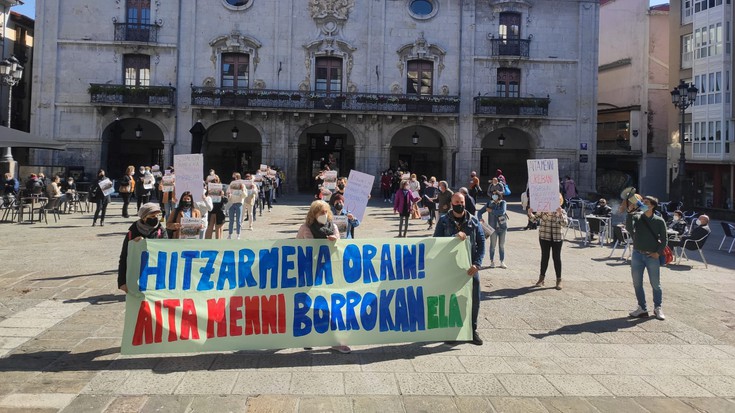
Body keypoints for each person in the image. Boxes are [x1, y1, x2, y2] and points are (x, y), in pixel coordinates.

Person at [296, 200, 350, 354]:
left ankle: (336, 341)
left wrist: (335, 240)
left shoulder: (332, 227)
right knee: (310, 306)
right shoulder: (305, 228)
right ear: (313, 214)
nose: (324, 215)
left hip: (329, 272)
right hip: (309, 272)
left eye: (326, 212)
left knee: (331, 306)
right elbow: (296, 248)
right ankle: (309, 338)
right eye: (320, 212)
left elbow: (340, 245)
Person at [432, 192, 485, 345]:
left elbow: (481, 244)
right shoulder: (443, 221)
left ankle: (471, 330)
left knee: (474, 299)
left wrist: (477, 264)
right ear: (451, 203)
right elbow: (436, 242)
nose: (459, 204)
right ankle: (451, 330)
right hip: (451, 268)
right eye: (456, 201)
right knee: (451, 299)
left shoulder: (474, 221)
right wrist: (454, 237)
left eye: (461, 201)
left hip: (470, 267)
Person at [623, 195, 668, 320]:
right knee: (637, 283)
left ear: (652, 205)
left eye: (646, 202)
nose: (642, 203)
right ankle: (642, 308)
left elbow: (665, 240)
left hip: (652, 255)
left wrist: (658, 253)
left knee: (655, 284)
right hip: (637, 254)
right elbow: (629, 228)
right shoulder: (637, 217)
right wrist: (630, 212)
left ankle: (657, 307)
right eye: (642, 202)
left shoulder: (659, 220)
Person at [117, 202, 168, 293]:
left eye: (157, 216)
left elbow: (166, 249)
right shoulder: (132, 232)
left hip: (155, 274)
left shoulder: (161, 230)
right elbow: (124, 257)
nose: (155, 218)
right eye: (152, 216)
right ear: (144, 217)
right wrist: (122, 282)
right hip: (136, 273)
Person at [528, 193, 568, 290]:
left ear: (560, 202)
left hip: (557, 237)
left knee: (556, 257)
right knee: (544, 257)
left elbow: (565, 224)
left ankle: (559, 280)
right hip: (544, 236)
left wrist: (559, 215)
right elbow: (535, 220)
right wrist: (530, 214)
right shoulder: (544, 210)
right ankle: (541, 279)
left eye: (558, 201)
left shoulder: (562, 211)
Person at [478, 190, 508, 269]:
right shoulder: (489, 203)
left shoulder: (503, 202)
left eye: (495, 195)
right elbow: (480, 212)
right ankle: (492, 261)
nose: (494, 196)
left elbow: (502, 211)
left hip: (502, 227)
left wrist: (492, 211)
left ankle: (502, 261)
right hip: (492, 228)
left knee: (501, 245)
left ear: (499, 196)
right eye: (493, 195)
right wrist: (480, 219)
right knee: (492, 245)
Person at [227, 173, 245, 239]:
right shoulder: (231, 183)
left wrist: (242, 190)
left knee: (238, 220)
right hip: (232, 203)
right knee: (231, 220)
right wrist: (228, 195)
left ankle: (238, 234)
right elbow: (228, 192)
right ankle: (230, 234)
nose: (234, 179)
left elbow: (245, 195)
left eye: (235, 177)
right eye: (233, 177)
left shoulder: (242, 184)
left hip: (239, 203)